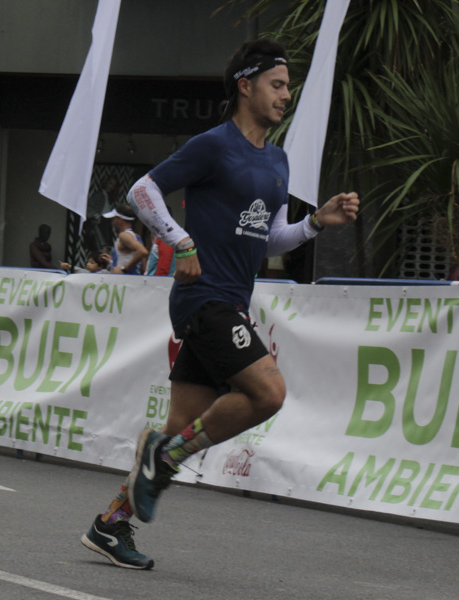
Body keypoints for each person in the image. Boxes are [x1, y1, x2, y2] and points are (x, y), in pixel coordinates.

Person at [79, 38, 359, 569]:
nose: (286, 95)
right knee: (269, 393)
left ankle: (111, 524)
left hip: (232, 301)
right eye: (277, 85)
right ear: (245, 86)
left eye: (289, 87)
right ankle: (168, 460)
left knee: (179, 421)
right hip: (204, 299)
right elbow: (143, 191)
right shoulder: (213, 145)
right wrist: (181, 241)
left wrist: (317, 222)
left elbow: (270, 237)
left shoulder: (277, 161)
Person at [103, 205, 148, 275]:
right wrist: (112, 261)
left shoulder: (124, 236)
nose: (112, 222)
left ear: (120, 220)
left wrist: (124, 269)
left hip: (124, 282)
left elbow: (143, 252)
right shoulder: (137, 237)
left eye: (113, 219)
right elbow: (143, 267)